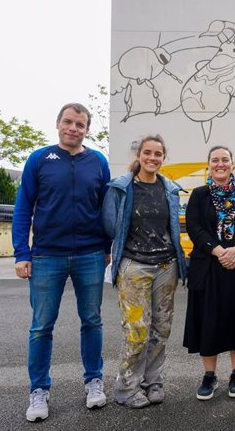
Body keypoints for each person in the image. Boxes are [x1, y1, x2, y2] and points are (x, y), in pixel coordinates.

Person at [12, 103, 111, 422]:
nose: (73, 128)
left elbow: (106, 208)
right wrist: (21, 253)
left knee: (92, 321)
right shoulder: (39, 159)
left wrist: (108, 247)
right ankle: (38, 390)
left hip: (90, 255)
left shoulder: (98, 161)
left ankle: (94, 381)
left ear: (87, 129)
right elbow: (23, 207)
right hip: (45, 255)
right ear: (58, 124)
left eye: (80, 124)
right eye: (68, 122)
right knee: (41, 326)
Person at [102, 135, 188, 408]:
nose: (153, 158)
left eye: (158, 154)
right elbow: (108, 225)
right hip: (134, 266)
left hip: (166, 266)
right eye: (148, 153)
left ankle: (153, 381)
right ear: (139, 155)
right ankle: (127, 387)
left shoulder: (170, 189)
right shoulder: (121, 188)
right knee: (137, 330)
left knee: (161, 329)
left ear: (164, 157)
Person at [182, 146, 235, 401]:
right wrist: (219, 252)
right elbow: (194, 227)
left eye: (224, 159)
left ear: (232, 163)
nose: (220, 164)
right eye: (215, 160)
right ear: (209, 164)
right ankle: (209, 375)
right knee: (208, 321)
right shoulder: (199, 194)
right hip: (207, 266)